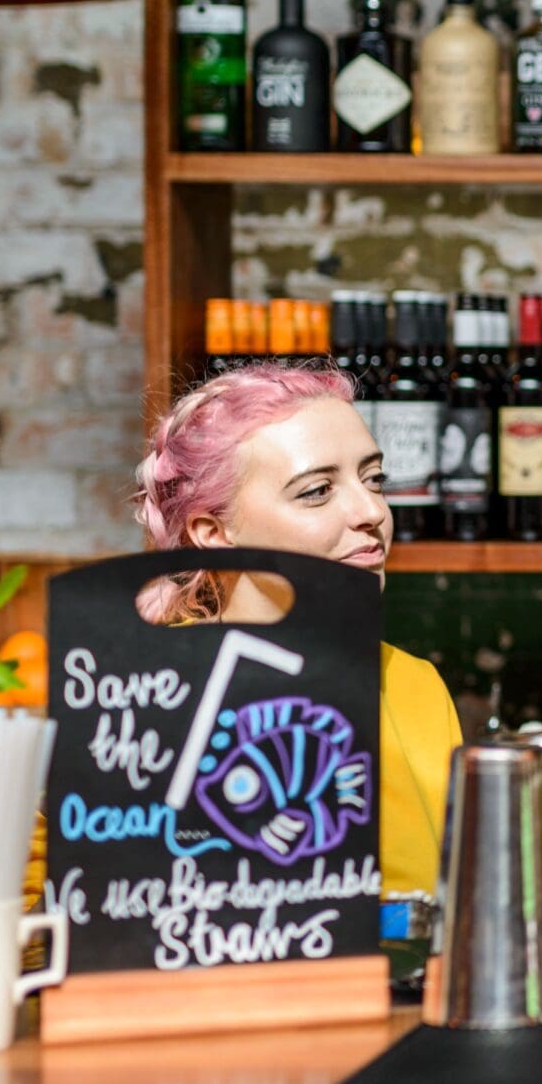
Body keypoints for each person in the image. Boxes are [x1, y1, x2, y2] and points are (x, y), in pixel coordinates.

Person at [132, 362, 463, 896]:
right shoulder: (149, 701)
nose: (371, 511)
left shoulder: (414, 684)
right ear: (213, 532)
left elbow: (445, 898)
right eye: (316, 492)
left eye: (374, 479)